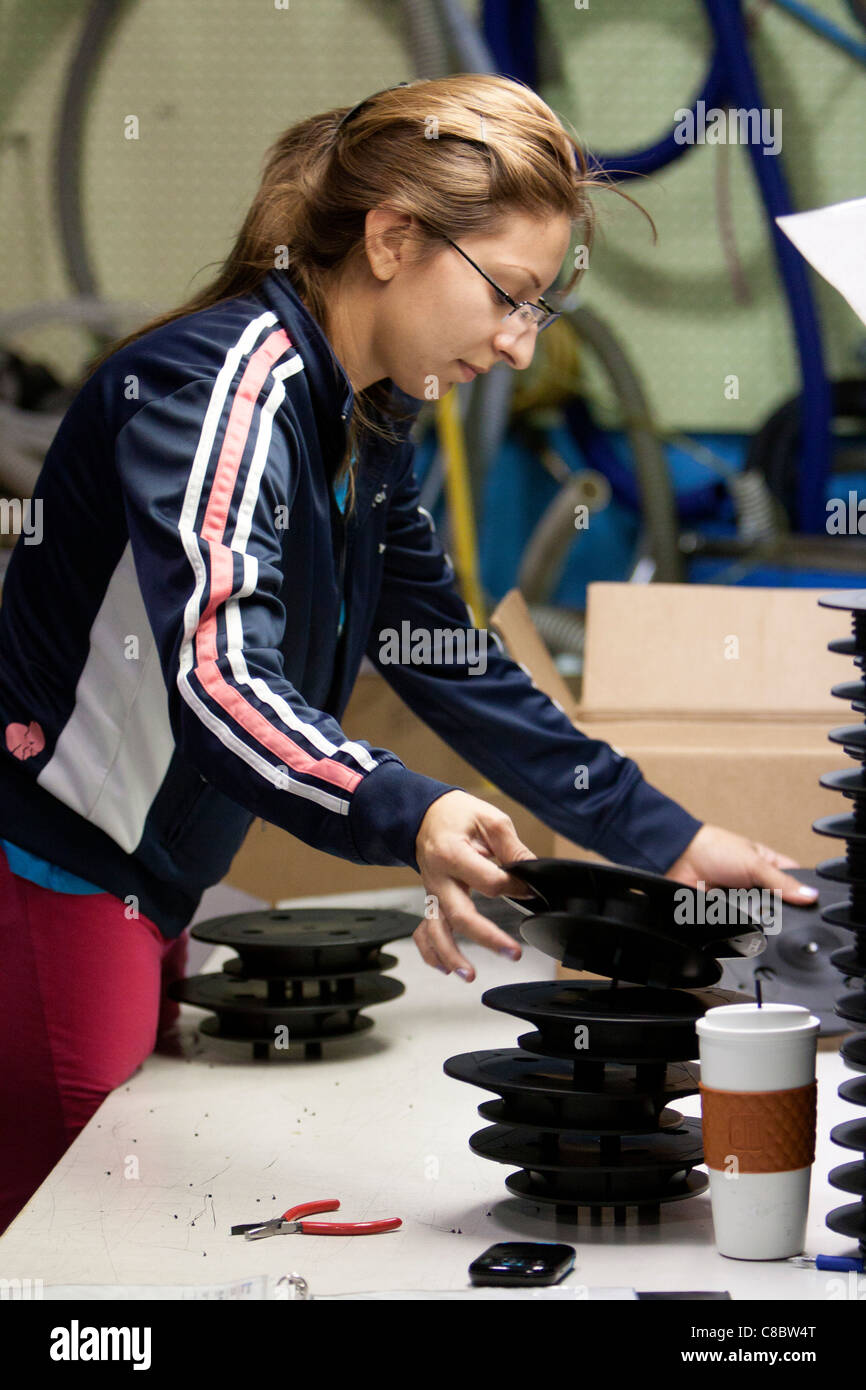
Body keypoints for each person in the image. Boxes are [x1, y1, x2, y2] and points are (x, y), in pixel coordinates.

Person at [0, 74, 816, 1234]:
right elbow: (221, 685)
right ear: (390, 238)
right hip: (54, 875)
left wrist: (669, 839)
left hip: (150, 880)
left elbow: (444, 656)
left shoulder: (364, 414)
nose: (520, 347)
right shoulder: (217, 395)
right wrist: (407, 810)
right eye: (508, 297)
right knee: (74, 1248)